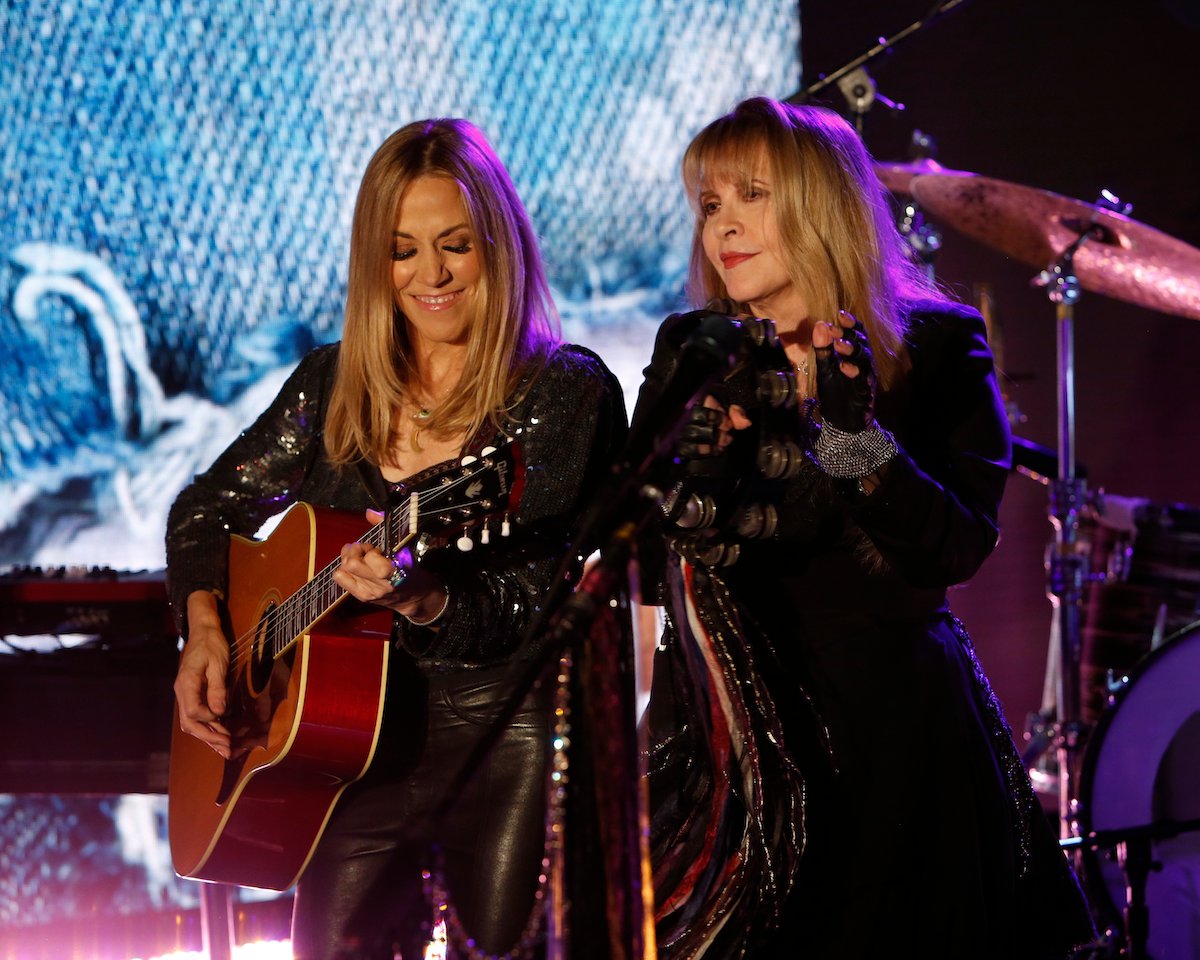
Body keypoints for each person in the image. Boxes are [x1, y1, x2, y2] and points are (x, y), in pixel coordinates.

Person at [633, 96, 1096, 959]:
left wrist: (851, 442)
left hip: (887, 737)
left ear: (819, 202)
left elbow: (952, 548)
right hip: (725, 738)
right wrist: (697, 469)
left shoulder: (933, 345)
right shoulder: (694, 349)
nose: (723, 227)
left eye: (751, 196)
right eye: (709, 205)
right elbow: (648, 558)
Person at [167, 118, 627, 960]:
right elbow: (204, 510)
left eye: (454, 244)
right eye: (402, 249)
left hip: (501, 738)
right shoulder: (332, 384)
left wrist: (426, 595)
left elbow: (542, 594)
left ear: (501, 244)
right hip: (344, 755)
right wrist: (204, 631)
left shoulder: (564, 391)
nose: (430, 275)